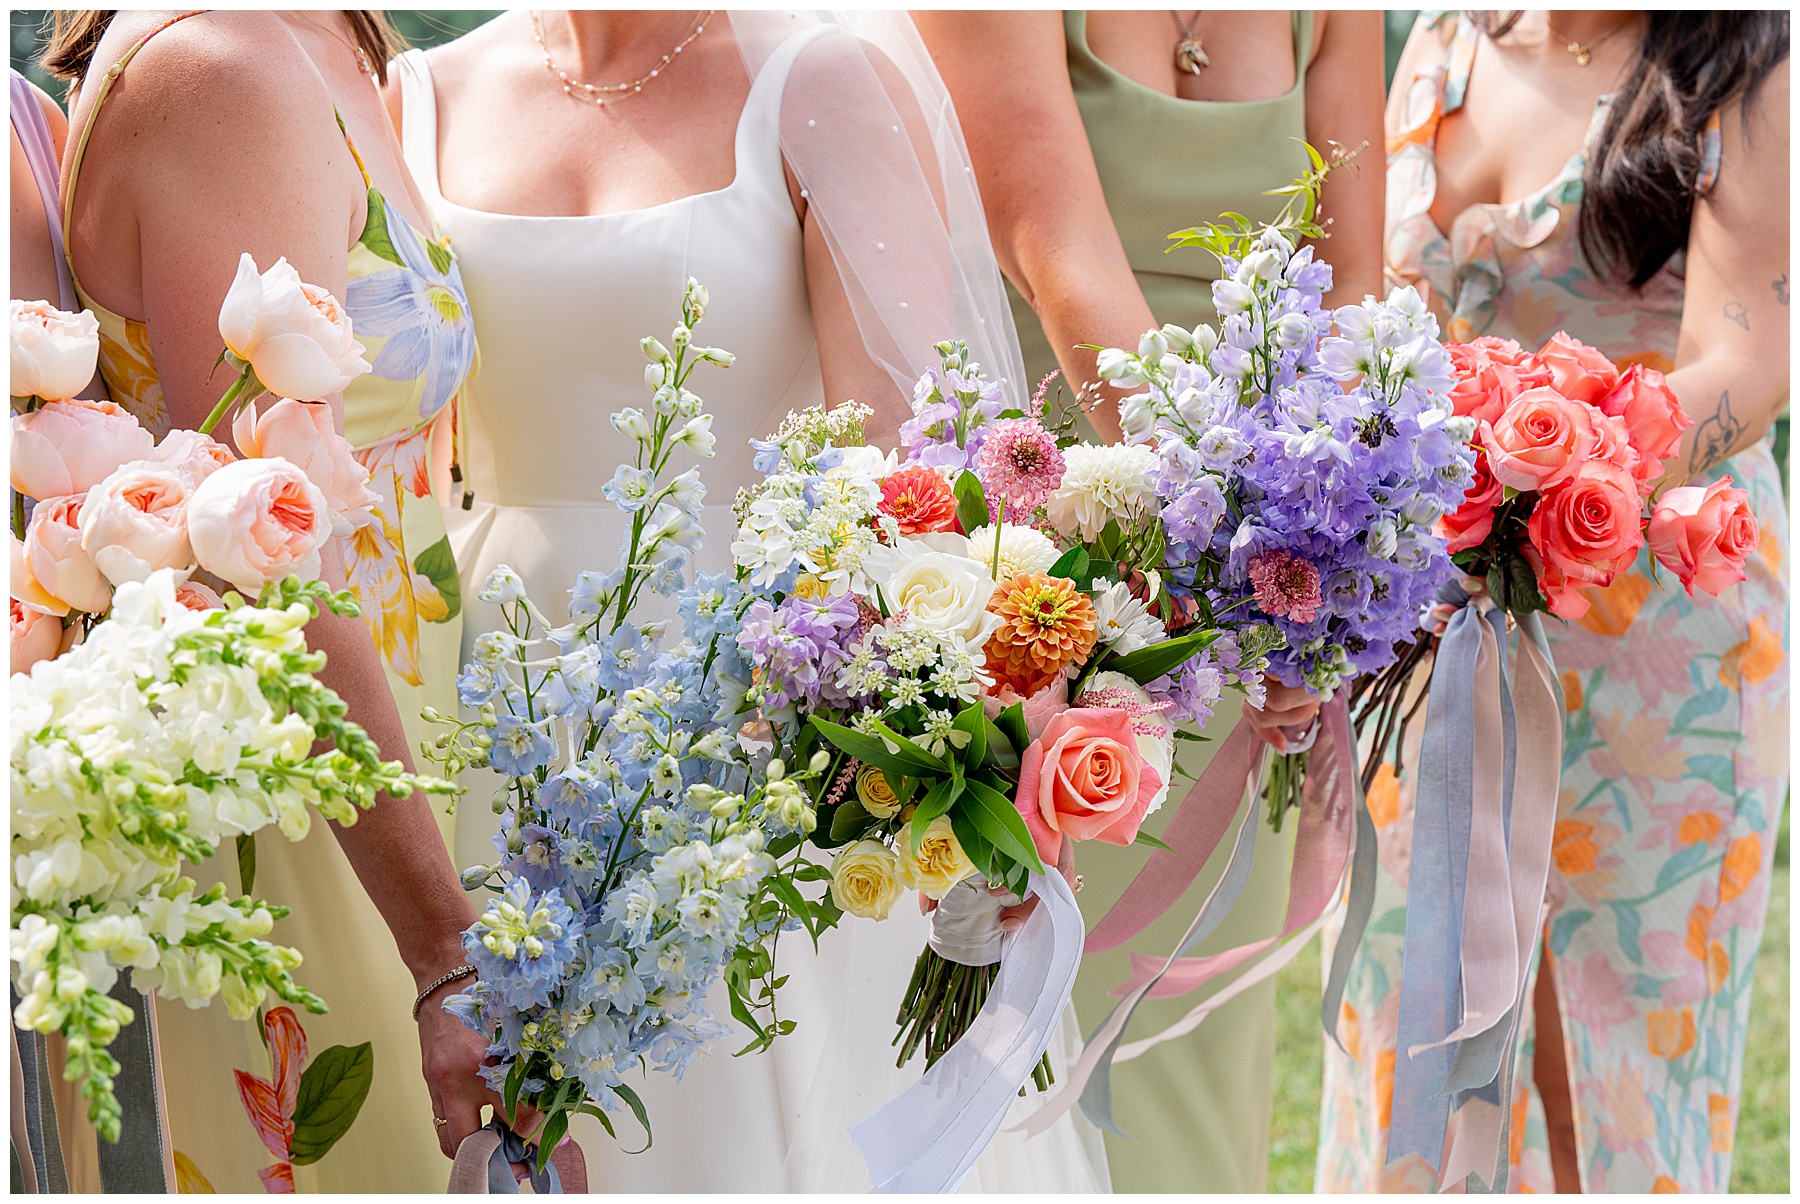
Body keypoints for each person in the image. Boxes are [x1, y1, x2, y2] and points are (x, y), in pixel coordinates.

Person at [386, 9, 1107, 1191]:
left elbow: (916, 480)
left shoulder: (815, 79)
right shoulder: (419, 95)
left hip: (764, 719)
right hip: (487, 709)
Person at [1318, 11, 1788, 1193]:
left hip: (1661, 628)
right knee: (1416, 1010)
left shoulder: (1753, 56)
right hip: (1438, 616)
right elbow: (1377, 320)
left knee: (1605, 1047)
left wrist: (1535, 470)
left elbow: (1751, 362)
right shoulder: (1443, 38)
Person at [914, 10, 1384, 1191]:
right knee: (1042, 1045)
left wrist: (1323, 566)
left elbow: (1358, 294)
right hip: (1066, 574)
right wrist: (1248, 554)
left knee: (1195, 1057)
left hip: (1266, 580)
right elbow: (1057, 252)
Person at [46, 10, 502, 1190]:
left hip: (411, 746)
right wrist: (444, 953)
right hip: (318, 789)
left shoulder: (320, 36)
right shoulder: (226, 74)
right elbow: (265, 563)